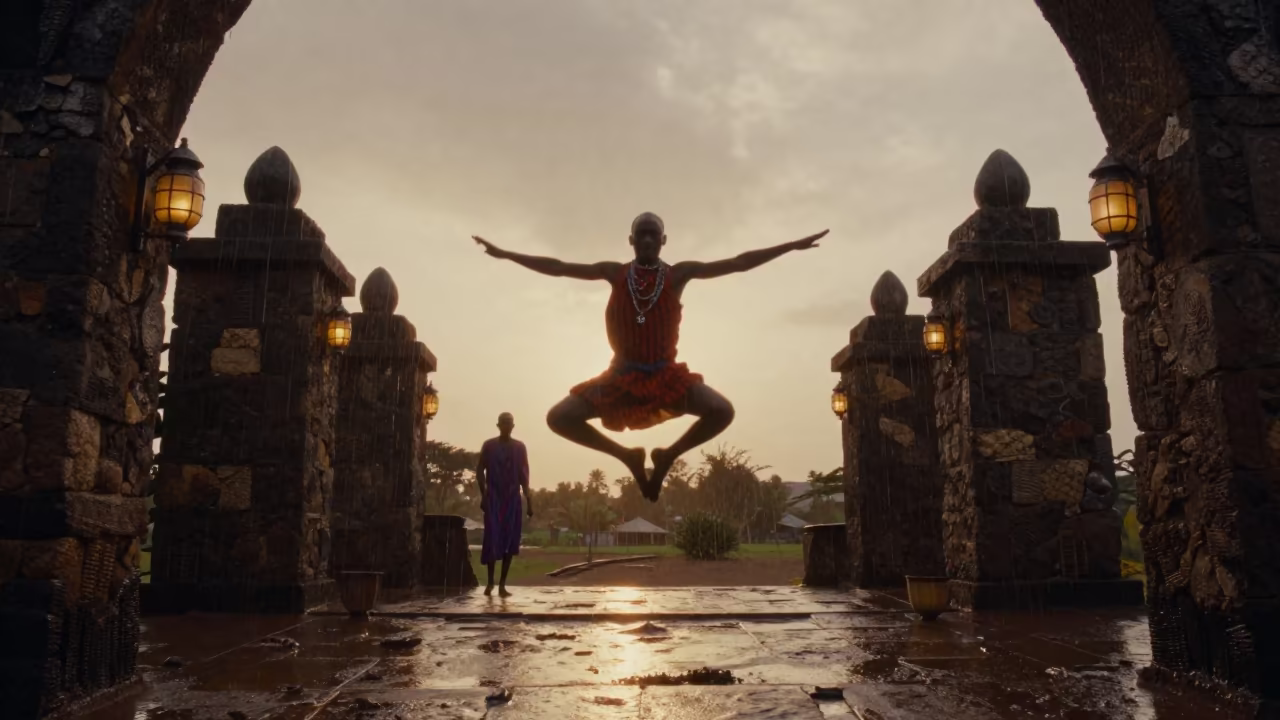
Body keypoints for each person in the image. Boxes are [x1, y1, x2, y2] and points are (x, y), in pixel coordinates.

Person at [472, 212, 826, 501]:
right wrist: (507, 255)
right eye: (640, 235)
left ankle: (667, 455)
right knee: (559, 418)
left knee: (722, 411)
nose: (646, 241)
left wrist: (792, 246)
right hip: (620, 378)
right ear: (630, 241)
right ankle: (627, 456)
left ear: (663, 240)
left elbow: (738, 263)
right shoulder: (615, 272)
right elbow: (559, 266)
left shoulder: (678, 274)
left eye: (652, 235)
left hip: (665, 377)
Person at [476, 412, 534, 597]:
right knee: (492, 537)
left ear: (513, 426)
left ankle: (502, 584)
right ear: (498, 425)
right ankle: (490, 582)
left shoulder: (519, 447)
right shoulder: (489, 446)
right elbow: (479, 470)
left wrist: (529, 501)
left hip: (512, 500)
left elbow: (524, 476)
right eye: (503, 423)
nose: (506, 426)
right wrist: (483, 494)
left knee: (510, 540)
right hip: (493, 498)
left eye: (509, 423)